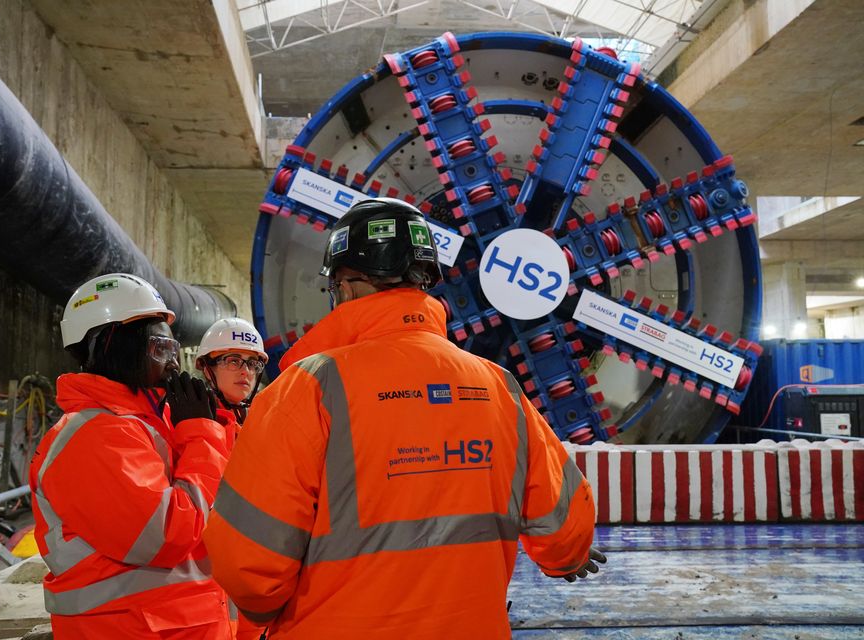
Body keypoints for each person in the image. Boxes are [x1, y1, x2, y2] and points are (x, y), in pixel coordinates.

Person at [203, 198, 603, 639]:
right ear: (424, 283)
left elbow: (247, 568)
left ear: (348, 286)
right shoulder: (499, 387)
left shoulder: (308, 389)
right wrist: (565, 555)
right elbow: (567, 527)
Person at [29, 273, 232, 639]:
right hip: (126, 628)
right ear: (112, 345)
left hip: (174, 625)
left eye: (174, 351)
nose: (172, 365)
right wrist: (201, 434)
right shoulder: (93, 435)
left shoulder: (151, 424)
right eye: (160, 349)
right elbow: (166, 535)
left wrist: (211, 426)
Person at [195, 318, 270, 640]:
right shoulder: (185, 425)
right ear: (206, 367)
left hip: (254, 584)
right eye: (232, 360)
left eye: (252, 363)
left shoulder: (264, 424)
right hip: (205, 589)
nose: (245, 372)